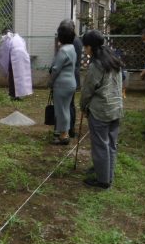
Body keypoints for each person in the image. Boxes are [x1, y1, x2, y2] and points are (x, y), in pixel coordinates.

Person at [80, 30, 124, 190]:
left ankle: (103, 180)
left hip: (101, 110)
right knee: (111, 143)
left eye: (85, 46)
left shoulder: (96, 65)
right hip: (116, 108)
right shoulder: (114, 60)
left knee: (100, 145)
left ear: (90, 47)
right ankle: (107, 173)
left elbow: (88, 90)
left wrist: (83, 106)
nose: (85, 50)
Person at [49, 19, 77, 145]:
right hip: (71, 83)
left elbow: (55, 69)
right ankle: (63, 132)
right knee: (66, 109)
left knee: (61, 110)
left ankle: (64, 135)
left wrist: (50, 82)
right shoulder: (72, 48)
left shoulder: (63, 50)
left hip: (61, 84)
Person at [0, 29, 33, 100]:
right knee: (22, 77)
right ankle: (21, 94)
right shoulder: (18, 37)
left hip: (14, 58)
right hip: (23, 57)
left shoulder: (8, 37)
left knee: (13, 77)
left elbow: (4, 51)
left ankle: (13, 95)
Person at [69, 32, 83, 137]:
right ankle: (71, 129)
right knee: (71, 104)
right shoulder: (77, 40)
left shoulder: (72, 43)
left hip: (70, 76)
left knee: (69, 105)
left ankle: (69, 129)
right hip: (74, 75)